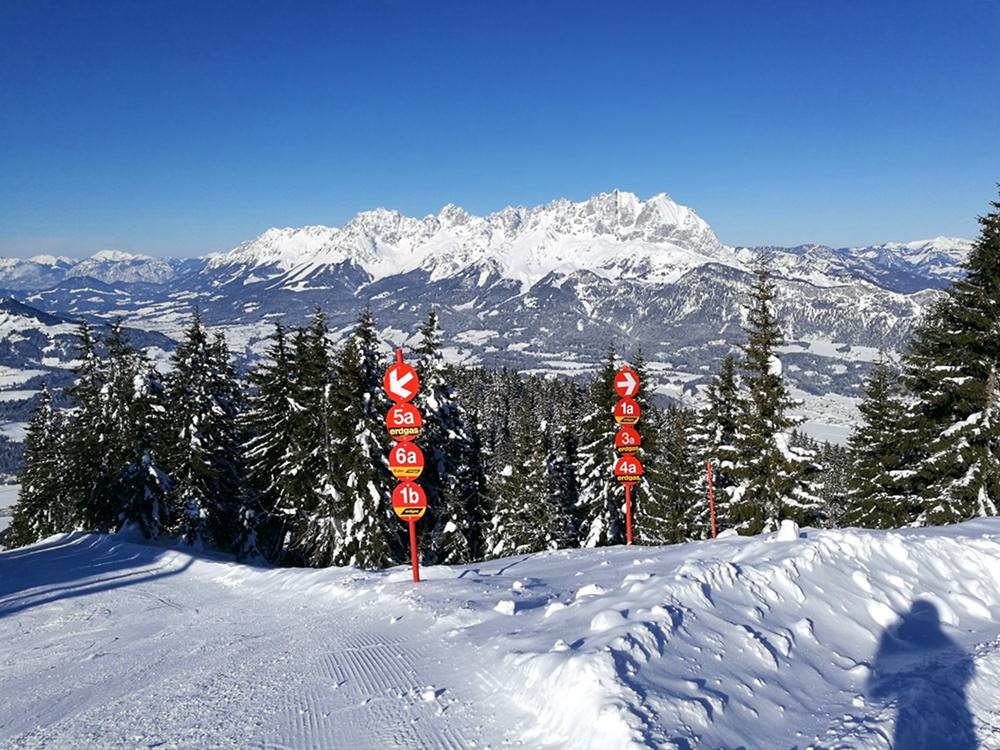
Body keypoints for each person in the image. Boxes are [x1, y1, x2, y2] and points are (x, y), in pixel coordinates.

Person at [868, 599, 976, 749]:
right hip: (943, 724)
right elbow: (966, 668)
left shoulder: (909, 641)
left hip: (920, 726)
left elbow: (877, 688)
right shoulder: (942, 642)